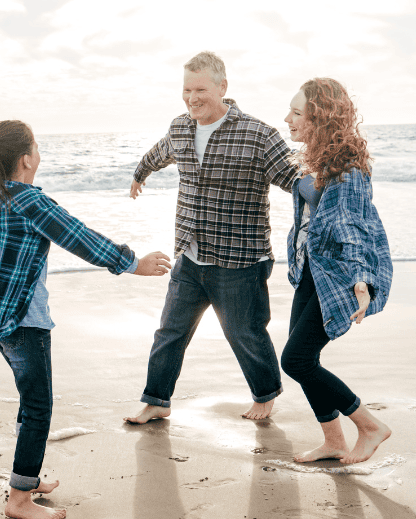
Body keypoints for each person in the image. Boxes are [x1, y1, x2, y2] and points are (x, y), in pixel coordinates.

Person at [0, 119, 172, 519]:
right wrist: (132, 263)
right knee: (39, 407)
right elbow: (78, 236)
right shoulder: (29, 201)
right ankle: (19, 500)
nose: (39, 152)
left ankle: (28, 476)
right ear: (26, 159)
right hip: (25, 322)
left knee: (29, 400)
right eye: (36, 146)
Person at [124, 51, 299, 425]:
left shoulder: (258, 134)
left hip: (239, 259)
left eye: (200, 88)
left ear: (222, 87)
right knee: (169, 331)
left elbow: (294, 178)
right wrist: (140, 173)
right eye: (186, 89)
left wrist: (334, 196)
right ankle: (157, 400)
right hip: (190, 255)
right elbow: (158, 153)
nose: (192, 97)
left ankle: (265, 395)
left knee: (244, 333)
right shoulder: (181, 127)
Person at [280, 78, 394, 464]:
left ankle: (369, 426)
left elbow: (354, 227)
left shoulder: (346, 169)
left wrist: (362, 280)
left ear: (320, 118)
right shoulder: (318, 160)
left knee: (296, 360)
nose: (287, 119)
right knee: (302, 361)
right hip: (315, 271)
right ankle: (334, 442)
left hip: (341, 276)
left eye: (297, 113)